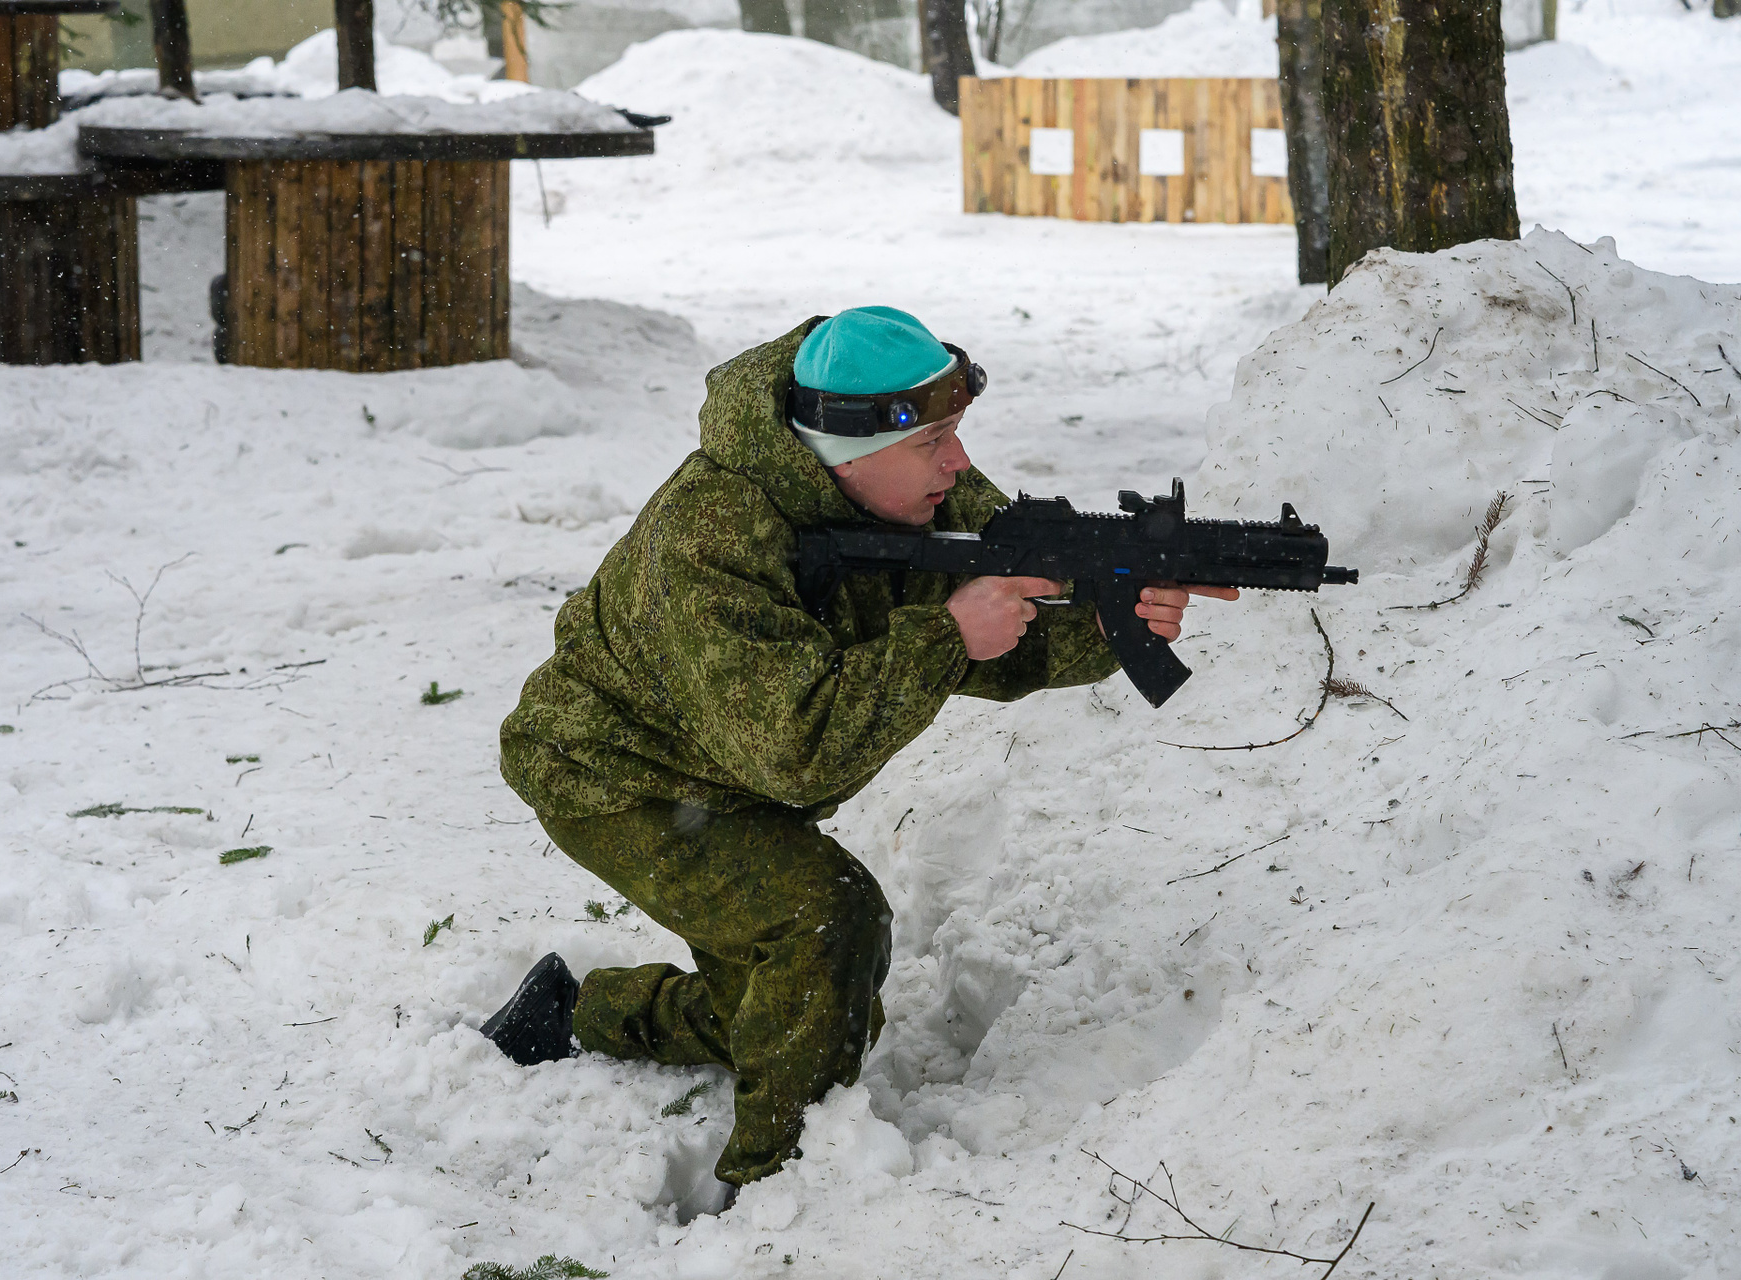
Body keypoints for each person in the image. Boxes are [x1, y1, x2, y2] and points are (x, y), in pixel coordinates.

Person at [491, 306, 1235, 1194]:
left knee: (806, 1013)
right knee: (828, 924)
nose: (958, 463)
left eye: (956, 435)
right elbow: (800, 749)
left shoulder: (916, 488)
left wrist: (1112, 616)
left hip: (729, 762)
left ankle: (577, 1011)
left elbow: (1007, 622)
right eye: (935, 444)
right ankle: (778, 1198)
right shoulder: (709, 541)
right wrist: (946, 636)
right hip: (617, 773)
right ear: (848, 454)